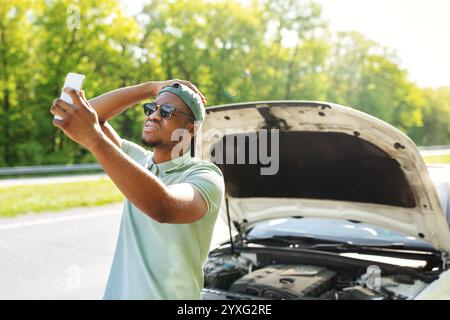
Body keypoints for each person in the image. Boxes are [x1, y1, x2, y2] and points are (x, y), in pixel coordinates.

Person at [49, 79, 225, 299]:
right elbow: (80, 115)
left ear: (191, 128)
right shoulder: (139, 160)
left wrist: (95, 139)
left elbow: (165, 207)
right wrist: (149, 88)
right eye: (152, 108)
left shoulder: (205, 175)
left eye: (167, 111)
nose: (153, 115)